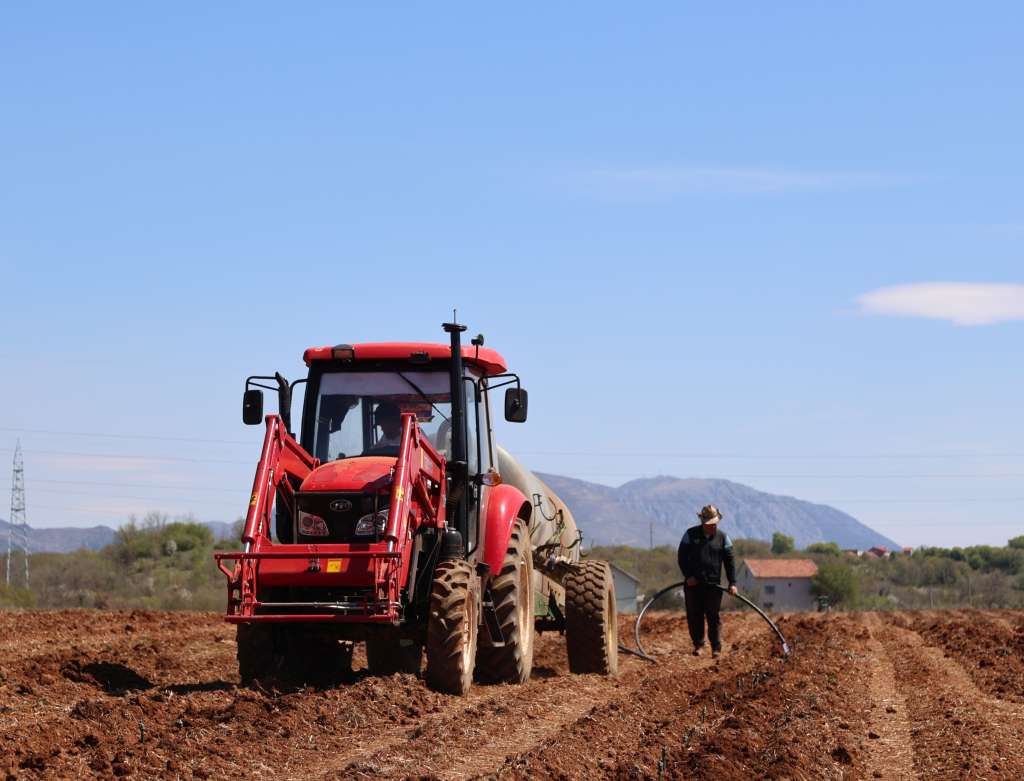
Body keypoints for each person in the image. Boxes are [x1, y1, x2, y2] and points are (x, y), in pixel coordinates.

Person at [677, 504, 737, 658]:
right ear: (702, 522)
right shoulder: (690, 535)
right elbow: (682, 557)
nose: (712, 527)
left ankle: (716, 648)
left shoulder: (723, 538)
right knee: (694, 615)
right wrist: (688, 576)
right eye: (709, 524)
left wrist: (733, 583)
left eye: (714, 524)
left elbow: (730, 562)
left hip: (713, 585)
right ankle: (699, 645)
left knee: (713, 616)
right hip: (693, 584)